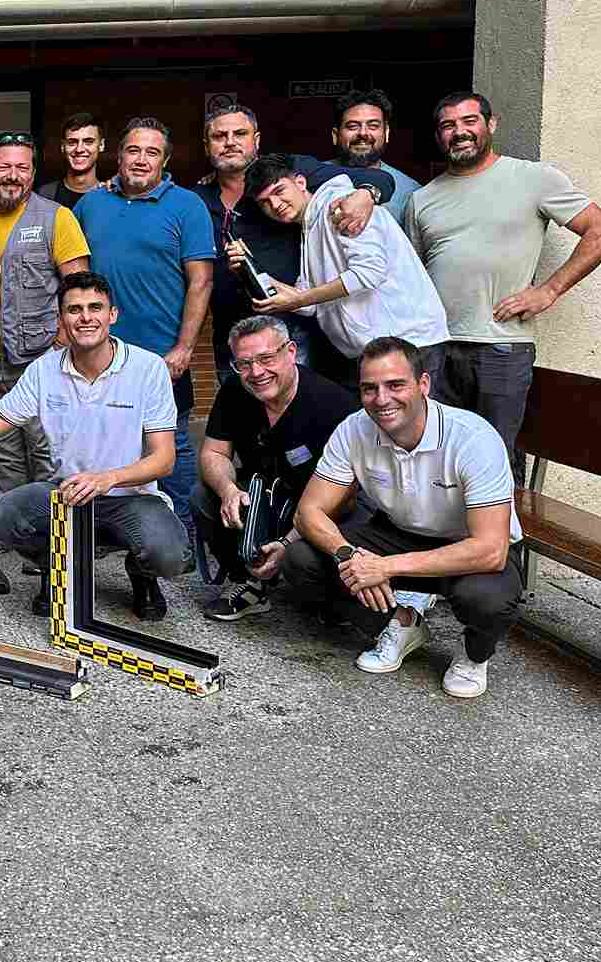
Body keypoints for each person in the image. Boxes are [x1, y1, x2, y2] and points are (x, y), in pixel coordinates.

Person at [286, 336, 526, 699]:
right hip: (400, 532)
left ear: (424, 385)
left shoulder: (472, 438)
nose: (382, 399)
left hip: (468, 548)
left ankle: (474, 656)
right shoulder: (354, 429)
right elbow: (309, 512)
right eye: (370, 388)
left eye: (395, 384)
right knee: (302, 558)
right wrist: (349, 556)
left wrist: (386, 567)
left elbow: (490, 549)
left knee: (486, 599)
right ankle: (400, 623)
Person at [404, 90, 601, 478]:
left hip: (500, 348)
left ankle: (505, 541)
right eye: (448, 125)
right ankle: (450, 540)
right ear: (439, 136)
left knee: (495, 461)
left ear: (491, 124)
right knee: (437, 461)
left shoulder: (534, 178)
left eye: (469, 121)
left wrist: (548, 290)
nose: (460, 132)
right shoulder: (422, 199)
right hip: (435, 348)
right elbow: (411, 275)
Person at [0, 272, 190, 620]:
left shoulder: (148, 368)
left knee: (170, 554)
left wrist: (107, 478)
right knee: (5, 515)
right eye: (74, 309)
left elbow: (164, 459)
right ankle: (56, 568)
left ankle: (143, 574)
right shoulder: (43, 371)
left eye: (95, 307)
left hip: (131, 496)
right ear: (61, 318)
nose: (85, 317)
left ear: (113, 315)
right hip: (67, 494)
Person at [74, 117, 212, 545]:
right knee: (98, 439)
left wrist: (185, 348)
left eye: (152, 152)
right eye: (133, 150)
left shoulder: (187, 206)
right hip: (99, 353)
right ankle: (101, 536)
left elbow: (201, 281)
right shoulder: (91, 205)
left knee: (174, 449)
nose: (141, 159)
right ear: (118, 155)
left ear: (165, 161)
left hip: (161, 356)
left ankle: (186, 537)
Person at [194, 103, 392, 372]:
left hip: (294, 330)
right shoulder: (195, 199)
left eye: (240, 133)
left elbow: (378, 178)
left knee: (297, 409)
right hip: (231, 334)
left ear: (257, 140)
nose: (230, 142)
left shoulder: (291, 170)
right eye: (219, 136)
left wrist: (366, 194)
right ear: (207, 146)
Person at [0, 133, 90, 596]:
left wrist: (60, 352)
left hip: (41, 363)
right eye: (4, 166)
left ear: (32, 171)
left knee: (48, 460)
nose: (12, 176)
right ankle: (28, 547)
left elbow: (79, 289)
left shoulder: (56, 218)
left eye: (22, 167)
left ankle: (53, 565)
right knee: (4, 461)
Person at [193, 317, 360, 621]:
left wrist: (289, 542)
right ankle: (248, 582)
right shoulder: (234, 390)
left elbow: (345, 497)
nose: (256, 372)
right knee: (204, 495)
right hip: (268, 493)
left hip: (323, 506)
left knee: (306, 562)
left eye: (267, 358)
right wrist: (228, 490)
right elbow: (214, 452)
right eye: (244, 363)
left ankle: (329, 598)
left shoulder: (334, 405)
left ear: (291, 352)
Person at [239, 154, 450, 385]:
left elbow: (369, 273)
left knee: (421, 421)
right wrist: (251, 268)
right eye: (265, 202)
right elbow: (310, 303)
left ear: (300, 183)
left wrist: (300, 299)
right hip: (372, 350)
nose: (275, 205)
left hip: (410, 343)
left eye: (279, 191)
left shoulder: (341, 206)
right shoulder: (309, 225)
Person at [331, 89, 420, 224]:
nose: (363, 133)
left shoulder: (411, 193)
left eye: (373, 126)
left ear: (387, 133)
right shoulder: (309, 179)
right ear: (336, 136)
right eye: (352, 126)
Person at [37, 111, 105, 211]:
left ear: (101, 145)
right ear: (62, 146)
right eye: (72, 142)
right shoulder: (43, 195)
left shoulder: (111, 196)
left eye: (88, 142)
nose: (79, 149)